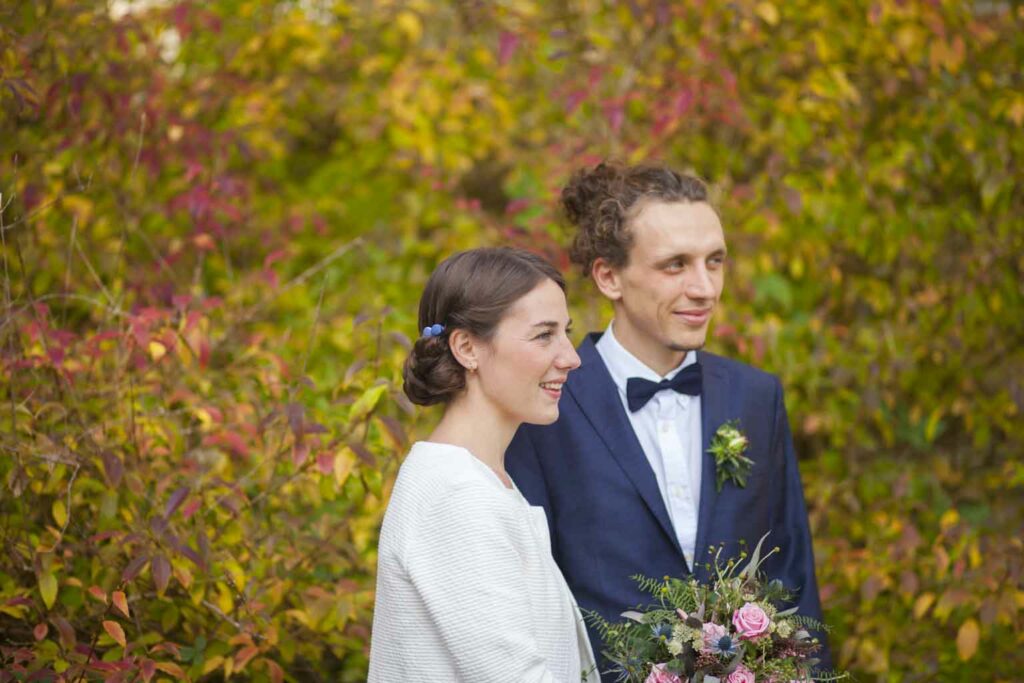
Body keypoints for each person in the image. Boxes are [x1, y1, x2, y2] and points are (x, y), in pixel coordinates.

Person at [506, 162, 833, 678]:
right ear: (609, 276)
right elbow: (525, 591)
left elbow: (793, 578)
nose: (705, 288)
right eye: (676, 265)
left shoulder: (756, 396)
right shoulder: (546, 404)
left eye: (715, 261)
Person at [368, 247, 600, 682]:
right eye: (543, 335)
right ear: (467, 347)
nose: (571, 357)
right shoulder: (456, 497)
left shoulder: (482, 480)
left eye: (565, 332)